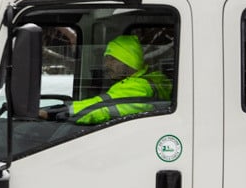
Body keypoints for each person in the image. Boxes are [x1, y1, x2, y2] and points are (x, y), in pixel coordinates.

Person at [42, 34, 172, 125]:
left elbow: (99, 108)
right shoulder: (148, 81)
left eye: (112, 59)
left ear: (129, 62)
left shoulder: (139, 86)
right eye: (106, 59)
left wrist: (54, 113)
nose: (106, 65)